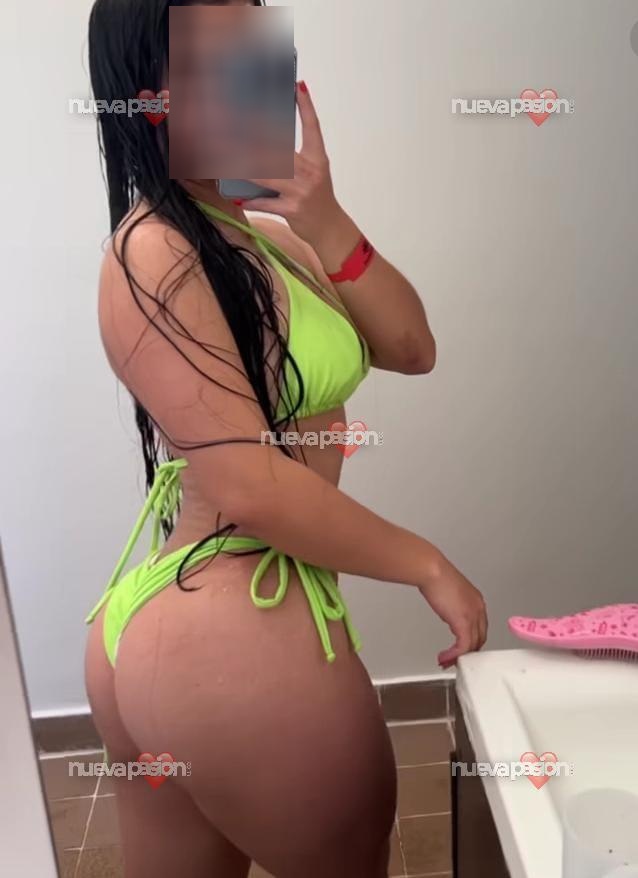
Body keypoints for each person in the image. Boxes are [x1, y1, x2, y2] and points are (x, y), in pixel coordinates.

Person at [84, 1, 488, 875]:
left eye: (266, 53)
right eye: (223, 59)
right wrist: (426, 563)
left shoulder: (266, 240)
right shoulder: (153, 251)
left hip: (196, 622)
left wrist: (325, 218)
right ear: (150, 95)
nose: (259, 81)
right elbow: (251, 486)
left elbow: (411, 347)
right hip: (232, 619)